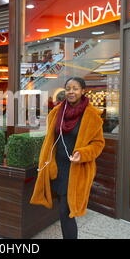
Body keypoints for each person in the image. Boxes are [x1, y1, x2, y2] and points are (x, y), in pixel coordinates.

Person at [30, 77, 105, 239]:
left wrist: (83, 154)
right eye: (68, 88)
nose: (71, 92)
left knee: (66, 211)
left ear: (83, 91)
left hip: (76, 169)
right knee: (62, 207)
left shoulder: (92, 115)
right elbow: (51, 140)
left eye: (75, 88)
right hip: (57, 166)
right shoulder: (56, 112)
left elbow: (98, 144)